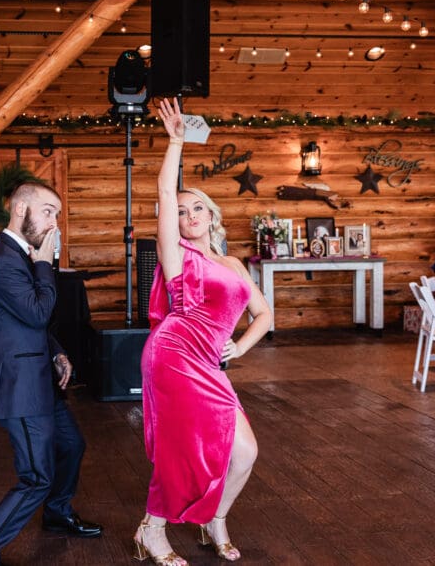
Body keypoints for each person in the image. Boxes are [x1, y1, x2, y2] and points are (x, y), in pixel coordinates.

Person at [133, 97, 273, 565]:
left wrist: (241, 348)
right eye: (183, 210)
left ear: (212, 216)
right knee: (182, 448)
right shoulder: (177, 254)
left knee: (246, 453)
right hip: (174, 353)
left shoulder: (232, 263)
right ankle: (152, 531)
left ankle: (215, 518)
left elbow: (265, 315)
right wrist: (176, 141)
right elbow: (165, 194)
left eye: (198, 210)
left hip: (210, 362)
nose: (189, 216)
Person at [0, 182, 101, 566]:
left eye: (57, 213)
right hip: (20, 388)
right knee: (36, 477)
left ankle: (56, 514)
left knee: (71, 444)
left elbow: (27, 321)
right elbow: (38, 312)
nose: (55, 222)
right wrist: (44, 261)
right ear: (21, 210)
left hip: (41, 379)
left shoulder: (17, 254)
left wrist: (56, 352)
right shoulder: (5, 260)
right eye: (48, 211)